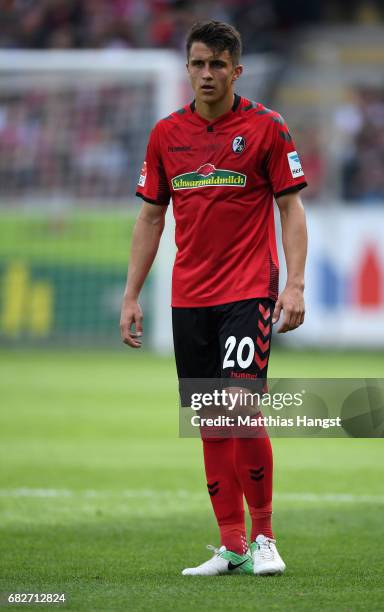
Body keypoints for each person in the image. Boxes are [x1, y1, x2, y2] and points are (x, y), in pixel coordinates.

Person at [120, 20, 308, 576]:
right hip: (190, 296)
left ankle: (265, 537)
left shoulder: (267, 127)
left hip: (248, 289)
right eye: (198, 64)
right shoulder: (165, 135)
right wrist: (132, 294)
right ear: (187, 68)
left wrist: (294, 283)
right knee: (210, 418)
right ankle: (231, 546)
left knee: (242, 409)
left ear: (236, 70)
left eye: (217, 65)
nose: (206, 74)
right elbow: (151, 215)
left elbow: (291, 208)